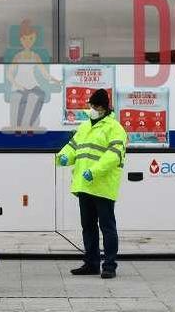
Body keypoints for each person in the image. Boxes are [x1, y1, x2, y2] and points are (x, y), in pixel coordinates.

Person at [54, 89, 127, 279]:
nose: (92, 109)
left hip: (102, 186)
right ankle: (91, 263)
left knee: (107, 227)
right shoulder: (85, 126)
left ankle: (109, 265)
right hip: (84, 185)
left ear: (104, 108)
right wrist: (63, 157)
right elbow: (73, 146)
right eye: (91, 106)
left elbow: (114, 155)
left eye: (95, 106)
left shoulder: (115, 128)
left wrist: (93, 172)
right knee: (88, 227)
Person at [7, 19, 60, 132]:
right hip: (19, 85)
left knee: (40, 95)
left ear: (34, 39)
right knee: (22, 99)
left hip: (32, 84)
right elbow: (10, 74)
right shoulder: (17, 56)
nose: (27, 41)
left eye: (31, 39)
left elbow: (44, 73)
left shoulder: (35, 56)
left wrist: (56, 80)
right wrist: (17, 85)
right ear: (20, 40)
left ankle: (29, 124)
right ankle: (19, 126)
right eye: (25, 39)